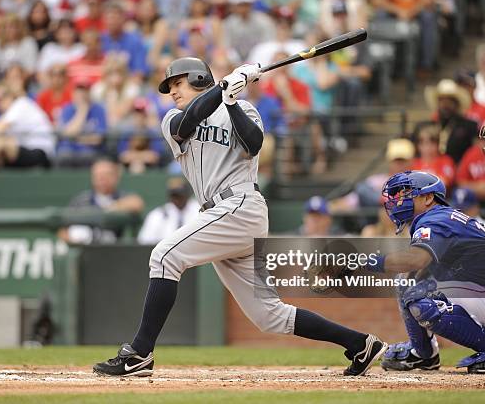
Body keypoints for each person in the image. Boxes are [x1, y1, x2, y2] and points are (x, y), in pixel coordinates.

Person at [92, 57, 387, 378]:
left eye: (178, 83)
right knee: (268, 315)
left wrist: (231, 100)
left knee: (164, 257)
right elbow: (187, 123)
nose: (172, 92)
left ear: (198, 77)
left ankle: (139, 353)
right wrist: (223, 88)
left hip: (240, 205)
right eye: (170, 87)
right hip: (219, 214)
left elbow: (254, 143)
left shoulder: (244, 109)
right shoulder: (172, 118)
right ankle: (360, 343)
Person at [366, 171, 485, 374]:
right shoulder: (441, 217)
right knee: (408, 281)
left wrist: (366, 261)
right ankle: (424, 354)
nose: (400, 201)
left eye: (407, 194)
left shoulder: (436, 218)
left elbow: (416, 259)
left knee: (417, 294)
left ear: (429, 198)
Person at [58, 158, 144, 244]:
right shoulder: (81, 200)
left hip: (116, 248)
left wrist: (110, 209)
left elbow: (137, 203)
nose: (102, 179)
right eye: (98, 175)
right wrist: (74, 241)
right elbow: (63, 229)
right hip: (87, 248)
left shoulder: (122, 196)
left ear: (116, 177)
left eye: (107, 175)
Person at [421, 78, 478, 164]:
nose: (445, 104)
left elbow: (474, 155)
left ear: (456, 103)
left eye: (449, 100)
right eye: (442, 100)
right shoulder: (428, 126)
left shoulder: (469, 127)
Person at [137, 177, 200, 245]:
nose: (177, 199)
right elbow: (145, 241)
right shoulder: (158, 215)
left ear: (187, 194)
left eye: (180, 195)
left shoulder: (199, 210)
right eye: (174, 195)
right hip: (166, 253)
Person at [410, 123, 455, 189]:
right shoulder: (413, 163)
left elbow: (445, 182)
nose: (428, 147)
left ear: (438, 144)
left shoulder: (446, 160)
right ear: (418, 145)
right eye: (423, 143)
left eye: (432, 142)